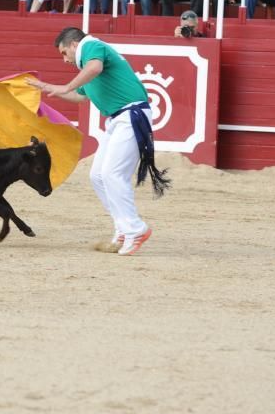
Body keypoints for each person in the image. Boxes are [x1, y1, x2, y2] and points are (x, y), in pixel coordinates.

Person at [26, 27, 169, 255]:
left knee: (112, 174)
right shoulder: (88, 65)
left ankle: (135, 229)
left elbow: (94, 68)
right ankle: (123, 228)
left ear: (74, 44)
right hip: (118, 119)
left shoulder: (92, 47)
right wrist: (47, 90)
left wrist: (64, 86)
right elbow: (80, 96)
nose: (65, 60)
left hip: (131, 115)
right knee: (98, 176)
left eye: (64, 53)